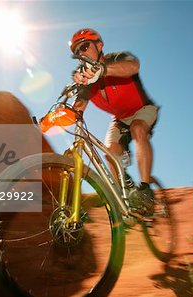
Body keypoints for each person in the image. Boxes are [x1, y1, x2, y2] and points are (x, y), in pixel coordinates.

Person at [69, 28, 158, 204]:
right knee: (109, 152)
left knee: (138, 128)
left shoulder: (117, 58)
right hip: (119, 119)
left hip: (142, 109)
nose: (81, 53)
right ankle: (124, 200)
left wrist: (102, 70)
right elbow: (77, 108)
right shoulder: (86, 79)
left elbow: (133, 66)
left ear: (99, 45)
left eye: (85, 46)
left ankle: (146, 190)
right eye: (77, 51)